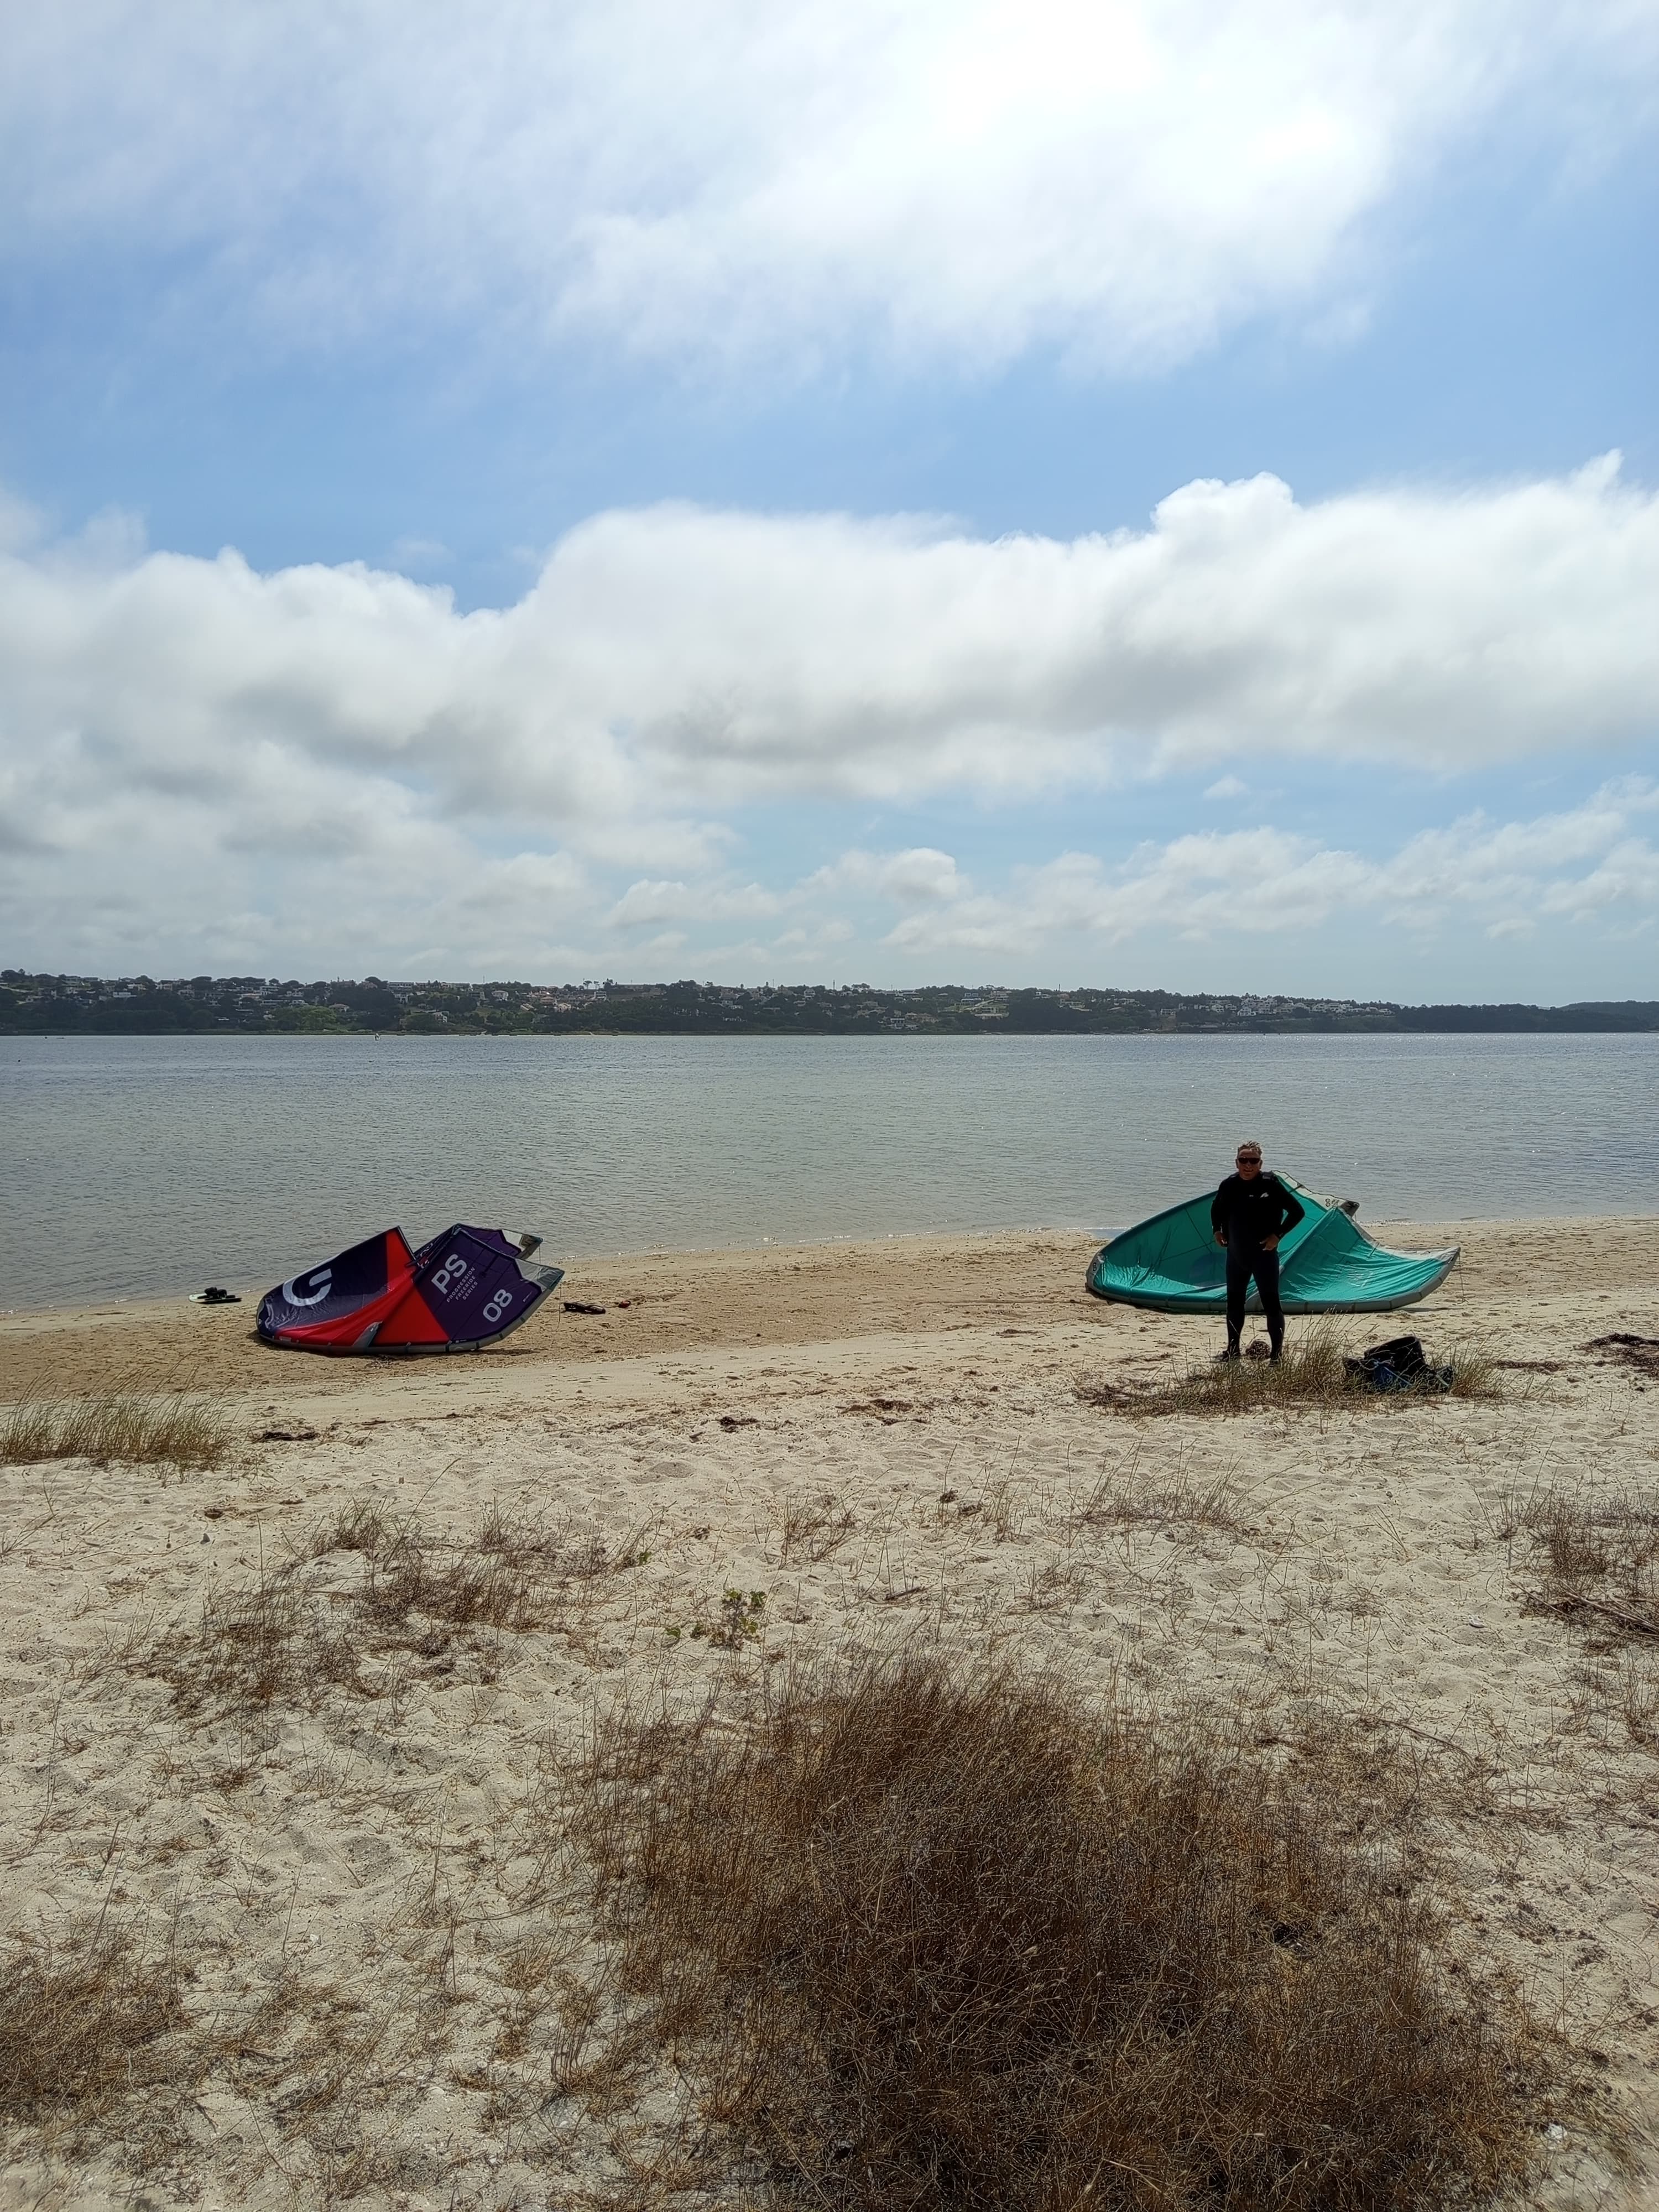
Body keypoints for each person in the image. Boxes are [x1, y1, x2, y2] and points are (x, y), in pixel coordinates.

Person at [1211, 1142, 1304, 1362]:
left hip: (1264, 1255)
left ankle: (1276, 1356)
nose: (1248, 1165)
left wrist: (1278, 1235)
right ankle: (1232, 1351)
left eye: (1253, 1161)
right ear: (1237, 1162)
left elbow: (1297, 1212)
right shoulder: (1229, 1185)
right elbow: (1216, 1209)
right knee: (1234, 1303)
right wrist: (1217, 1231)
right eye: (1244, 1160)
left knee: (1271, 1304)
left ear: (1260, 1164)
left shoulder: (1270, 1184)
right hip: (1236, 1256)